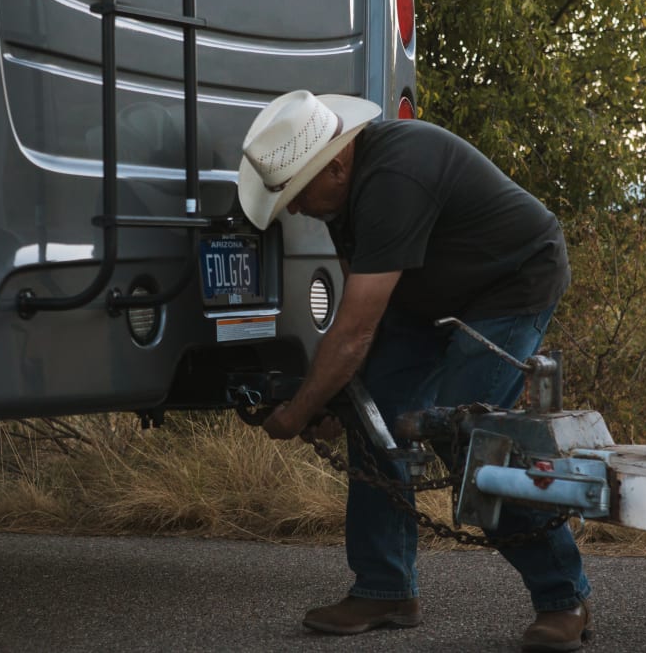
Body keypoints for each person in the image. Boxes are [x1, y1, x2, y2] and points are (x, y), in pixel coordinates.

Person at [237, 90, 592, 652]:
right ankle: (385, 590)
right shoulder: (339, 196)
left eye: (296, 195)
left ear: (334, 163)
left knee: (468, 439)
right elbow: (365, 311)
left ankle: (562, 598)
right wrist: (336, 401)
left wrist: (299, 410)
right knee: (371, 408)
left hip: (511, 281)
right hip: (426, 293)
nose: (296, 210)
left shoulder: (396, 176)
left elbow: (352, 333)